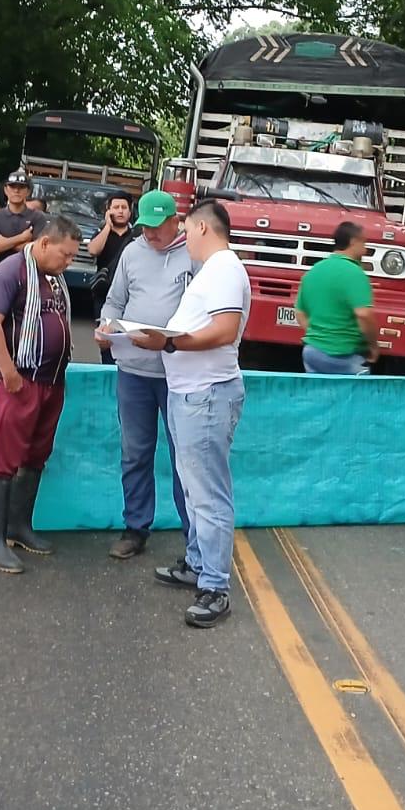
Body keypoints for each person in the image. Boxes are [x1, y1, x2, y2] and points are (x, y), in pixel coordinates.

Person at [130, 200, 251, 629]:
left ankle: (215, 586)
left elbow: (224, 330)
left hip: (205, 395)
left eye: (186, 230)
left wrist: (168, 343)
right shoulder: (214, 270)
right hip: (193, 393)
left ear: (201, 228)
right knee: (194, 486)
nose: (184, 239)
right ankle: (199, 564)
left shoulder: (223, 270)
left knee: (208, 494)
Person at [0, 216, 82, 573]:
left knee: (37, 453)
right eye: (66, 255)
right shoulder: (10, 272)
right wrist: (8, 371)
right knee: (5, 457)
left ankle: (18, 526)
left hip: (52, 380)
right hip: (21, 380)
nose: (69, 262)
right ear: (45, 244)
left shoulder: (53, 276)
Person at [95, 189, 195, 561]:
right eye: (145, 227)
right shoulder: (132, 252)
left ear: (175, 221)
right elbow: (115, 300)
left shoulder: (194, 254)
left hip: (178, 373)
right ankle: (135, 527)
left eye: (156, 227)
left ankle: (195, 536)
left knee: (185, 457)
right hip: (133, 371)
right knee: (134, 452)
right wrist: (106, 325)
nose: (149, 234)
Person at [295, 221, 377, 374]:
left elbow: (300, 312)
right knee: (353, 390)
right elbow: (364, 315)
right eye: (364, 243)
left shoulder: (314, 271)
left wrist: (320, 337)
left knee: (318, 390)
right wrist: (373, 346)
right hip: (346, 355)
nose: (365, 250)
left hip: (312, 352)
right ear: (353, 242)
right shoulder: (355, 273)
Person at [87, 191, 135, 349]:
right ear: (108, 211)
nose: (120, 211)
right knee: (106, 338)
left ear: (130, 211)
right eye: (116, 207)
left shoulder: (136, 235)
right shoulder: (102, 232)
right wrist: (107, 226)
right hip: (105, 293)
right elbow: (93, 250)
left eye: (124, 207)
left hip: (129, 294)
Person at [0, 169, 47, 271]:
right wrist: (21, 238)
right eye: (12, 186)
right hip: (0, 271)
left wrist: (2, 242)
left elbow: (39, 251)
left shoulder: (38, 217)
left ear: (28, 191)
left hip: (28, 273)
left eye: (21, 187)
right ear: (6, 190)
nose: (16, 190)